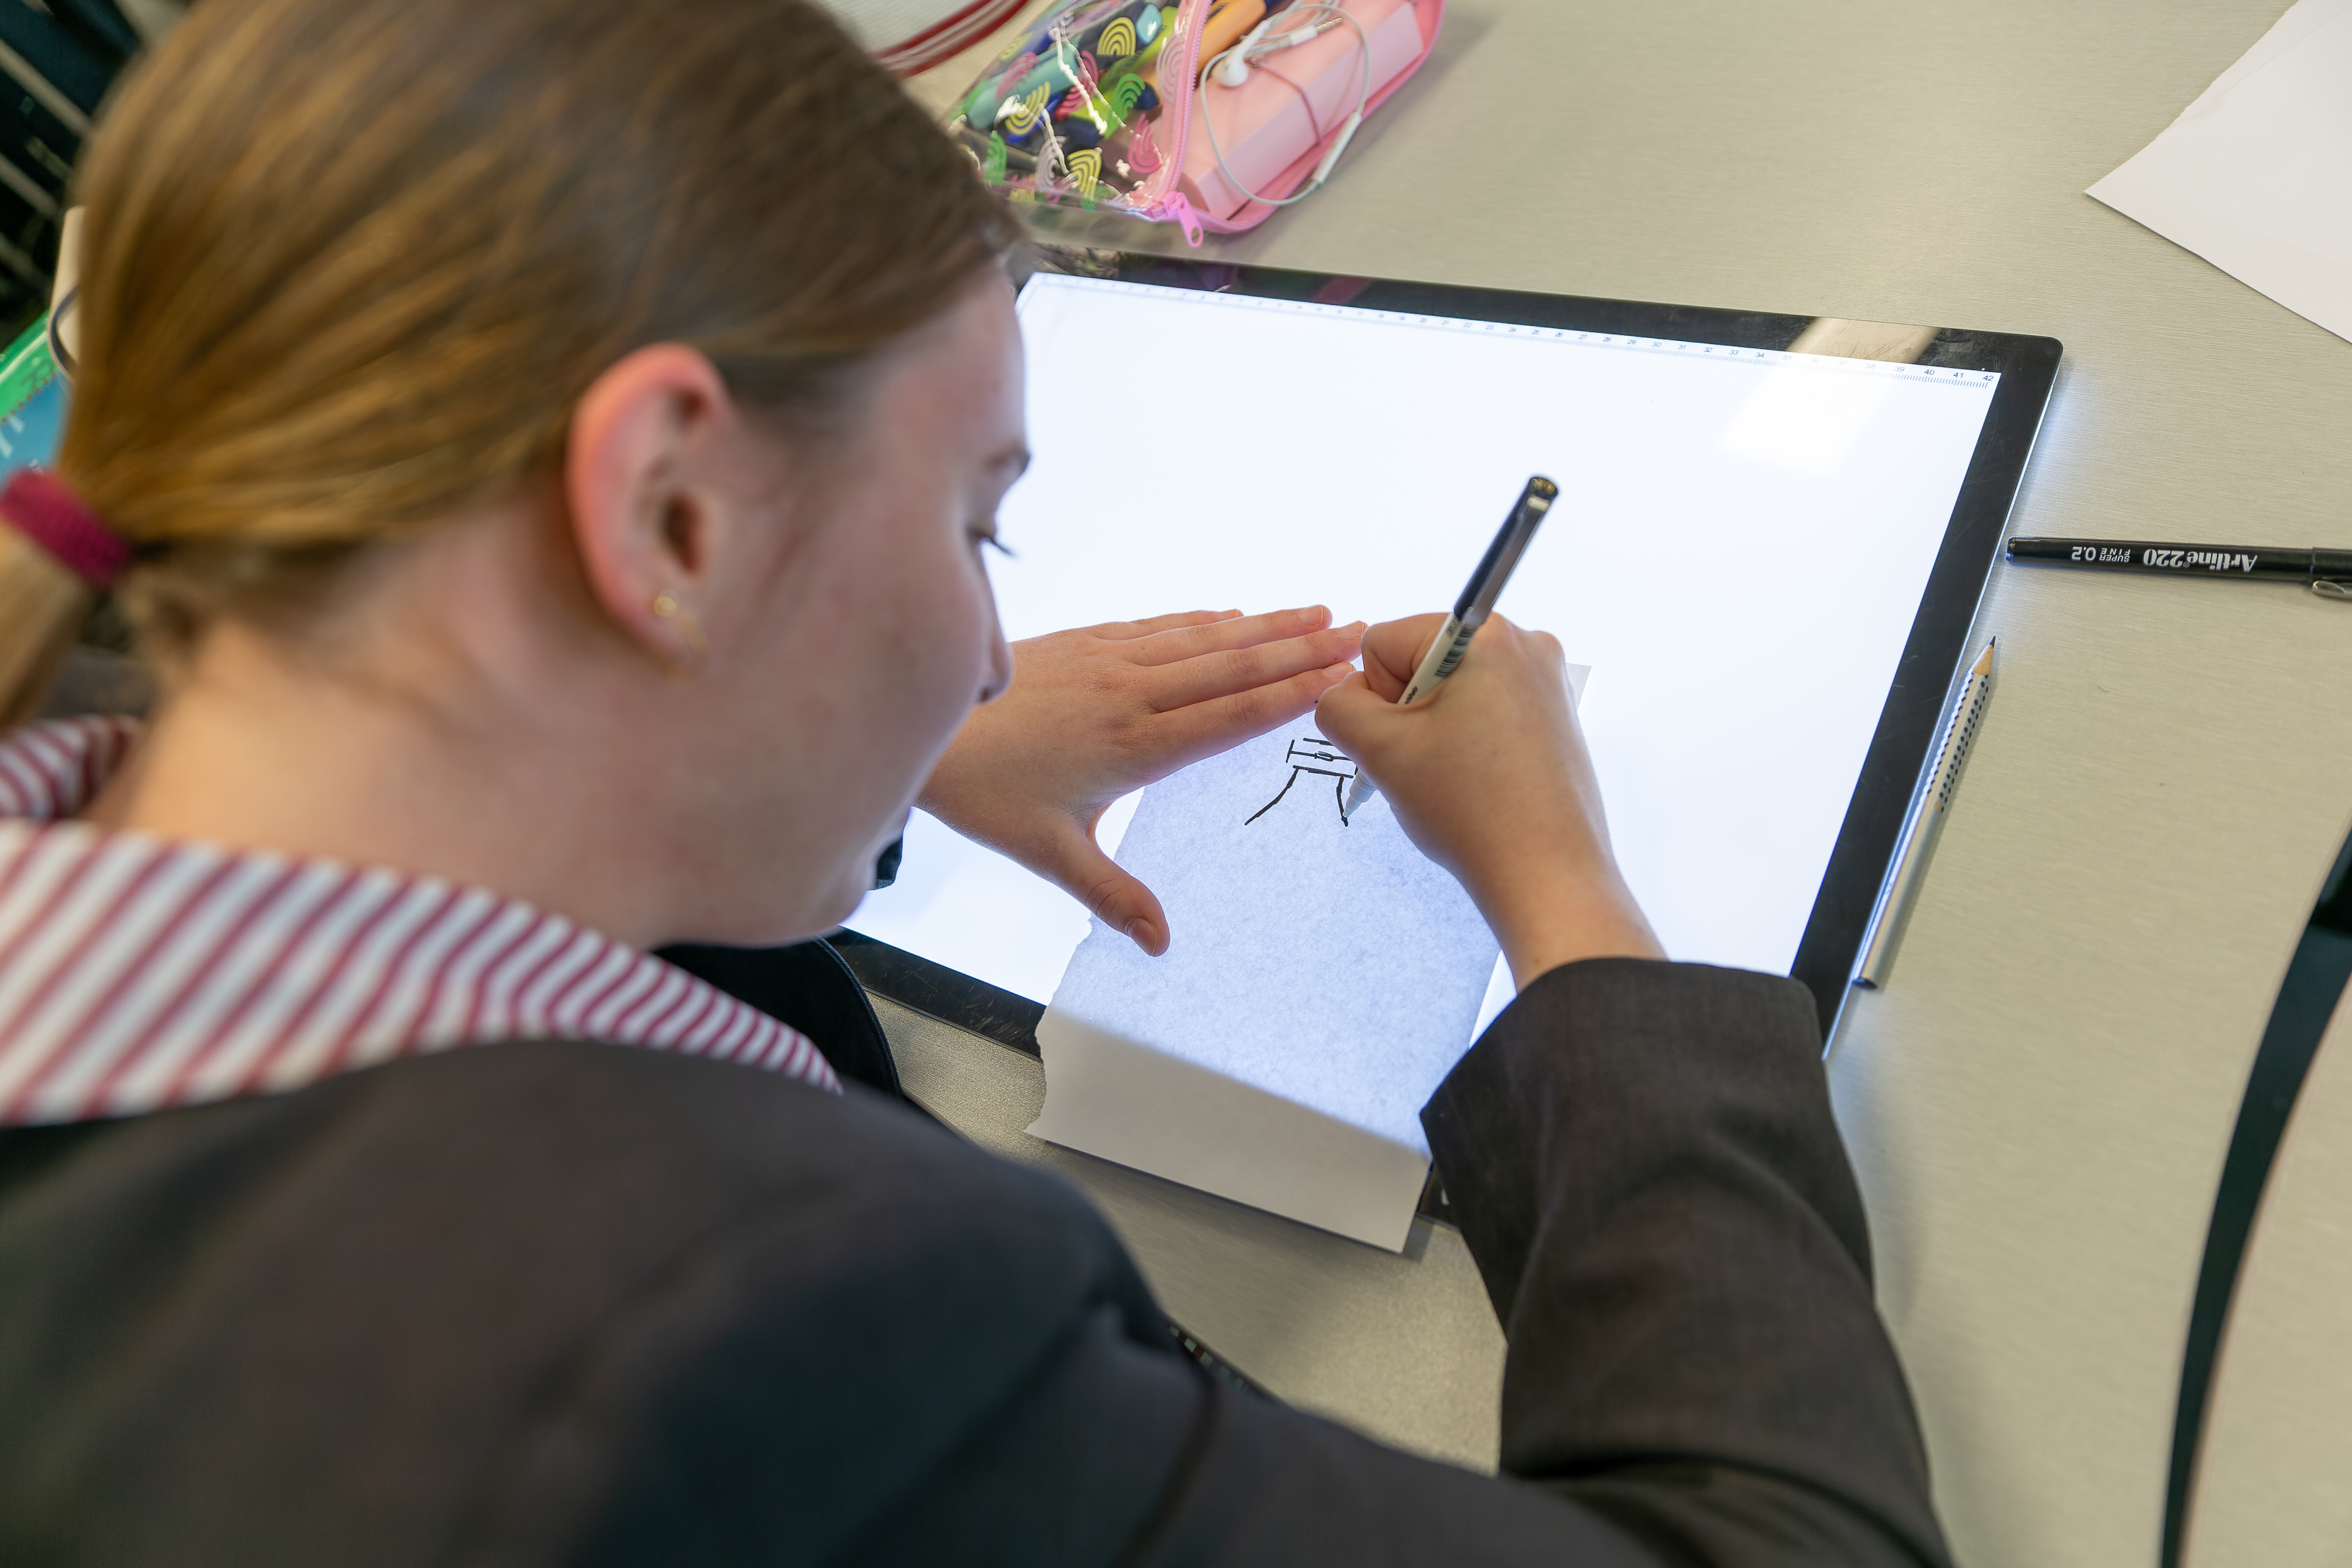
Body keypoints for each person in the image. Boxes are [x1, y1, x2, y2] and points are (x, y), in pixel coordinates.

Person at [0, 0, 1953, 1562]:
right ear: (664, 514)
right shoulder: (708, 1324)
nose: (994, 654)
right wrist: (1566, 908)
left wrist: (852, 740)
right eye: (977, 526)